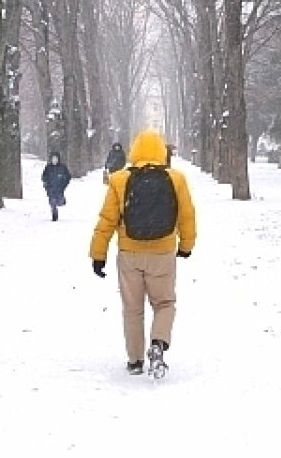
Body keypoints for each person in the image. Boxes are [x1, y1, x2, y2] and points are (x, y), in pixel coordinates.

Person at [89, 129, 196, 378]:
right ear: (161, 151)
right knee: (165, 303)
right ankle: (158, 344)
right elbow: (187, 215)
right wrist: (186, 246)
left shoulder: (119, 180)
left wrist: (98, 254)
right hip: (163, 253)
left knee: (133, 309)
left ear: (134, 151)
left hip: (129, 254)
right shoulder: (176, 179)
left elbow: (107, 220)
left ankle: (135, 360)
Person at [41, 152, 72, 221]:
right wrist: (46, 184)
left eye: (56, 159)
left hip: (60, 188)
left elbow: (68, 176)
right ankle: (54, 214)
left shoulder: (62, 167)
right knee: (52, 202)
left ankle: (62, 201)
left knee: (60, 201)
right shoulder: (48, 167)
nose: (54, 160)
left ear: (58, 159)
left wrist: (64, 183)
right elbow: (44, 176)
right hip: (50, 188)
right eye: (53, 159)